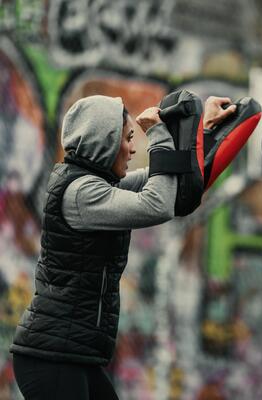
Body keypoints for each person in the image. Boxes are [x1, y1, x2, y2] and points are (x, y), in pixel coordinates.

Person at [10, 94, 236, 399]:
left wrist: (203, 131)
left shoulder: (97, 184)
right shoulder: (81, 193)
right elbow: (158, 204)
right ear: (105, 142)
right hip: (53, 357)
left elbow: (172, 183)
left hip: (74, 353)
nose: (132, 148)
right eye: (128, 139)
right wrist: (157, 133)